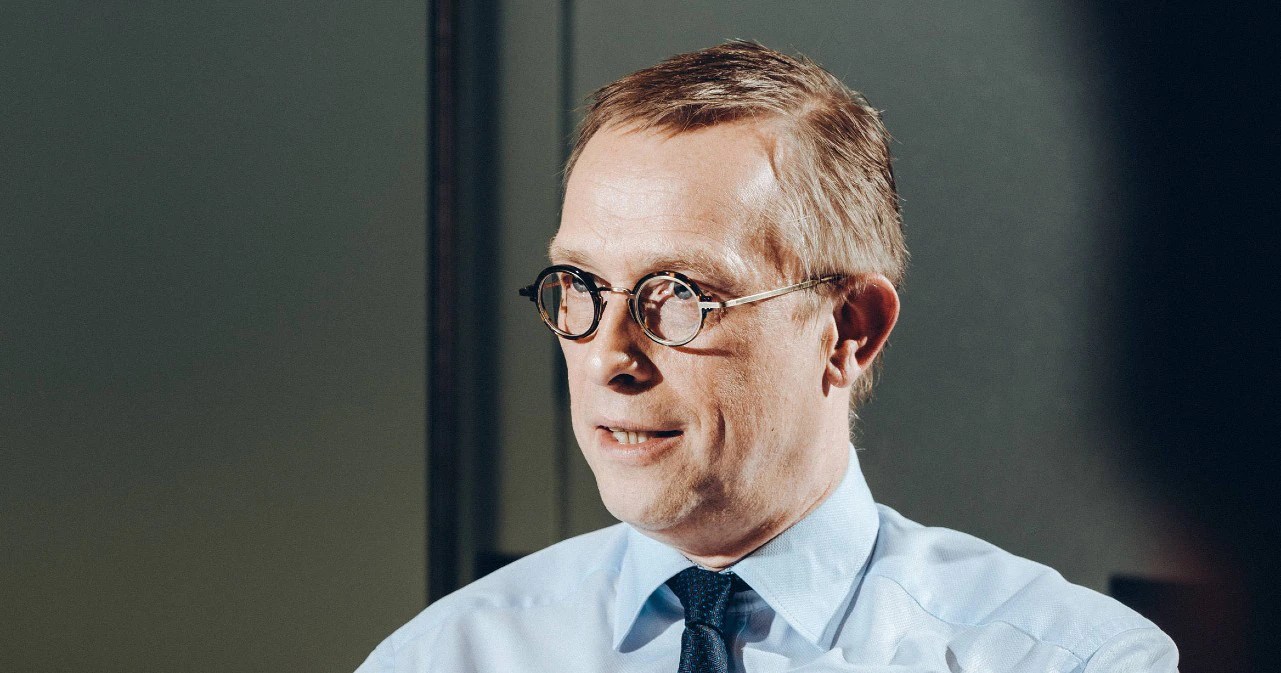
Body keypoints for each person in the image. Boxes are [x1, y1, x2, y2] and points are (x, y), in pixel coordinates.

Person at [356, 41, 1177, 672]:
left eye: (677, 293)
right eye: (581, 285)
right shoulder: (444, 656)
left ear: (849, 329)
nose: (608, 356)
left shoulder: (1069, 659)